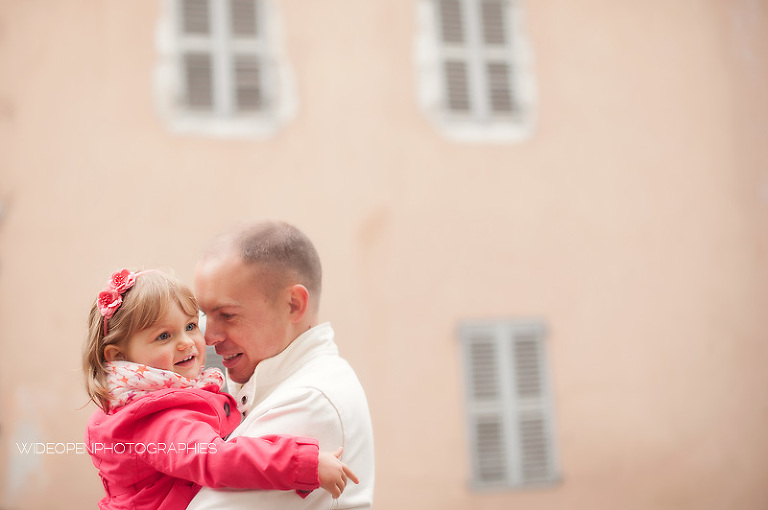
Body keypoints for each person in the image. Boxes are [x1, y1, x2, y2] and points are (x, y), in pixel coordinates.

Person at [83, 269, 357, 510]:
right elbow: (215, 459)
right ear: (118, 357)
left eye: (190, 326)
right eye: (164, 336)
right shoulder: (158, 417)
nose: (186, 342)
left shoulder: (155, 400)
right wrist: (301, 463)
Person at [188, 221, 375, 510]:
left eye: (226, 315)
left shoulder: (309, 400)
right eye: (203, 315)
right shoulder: (290, 385)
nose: (208, 337)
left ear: (293, 304)